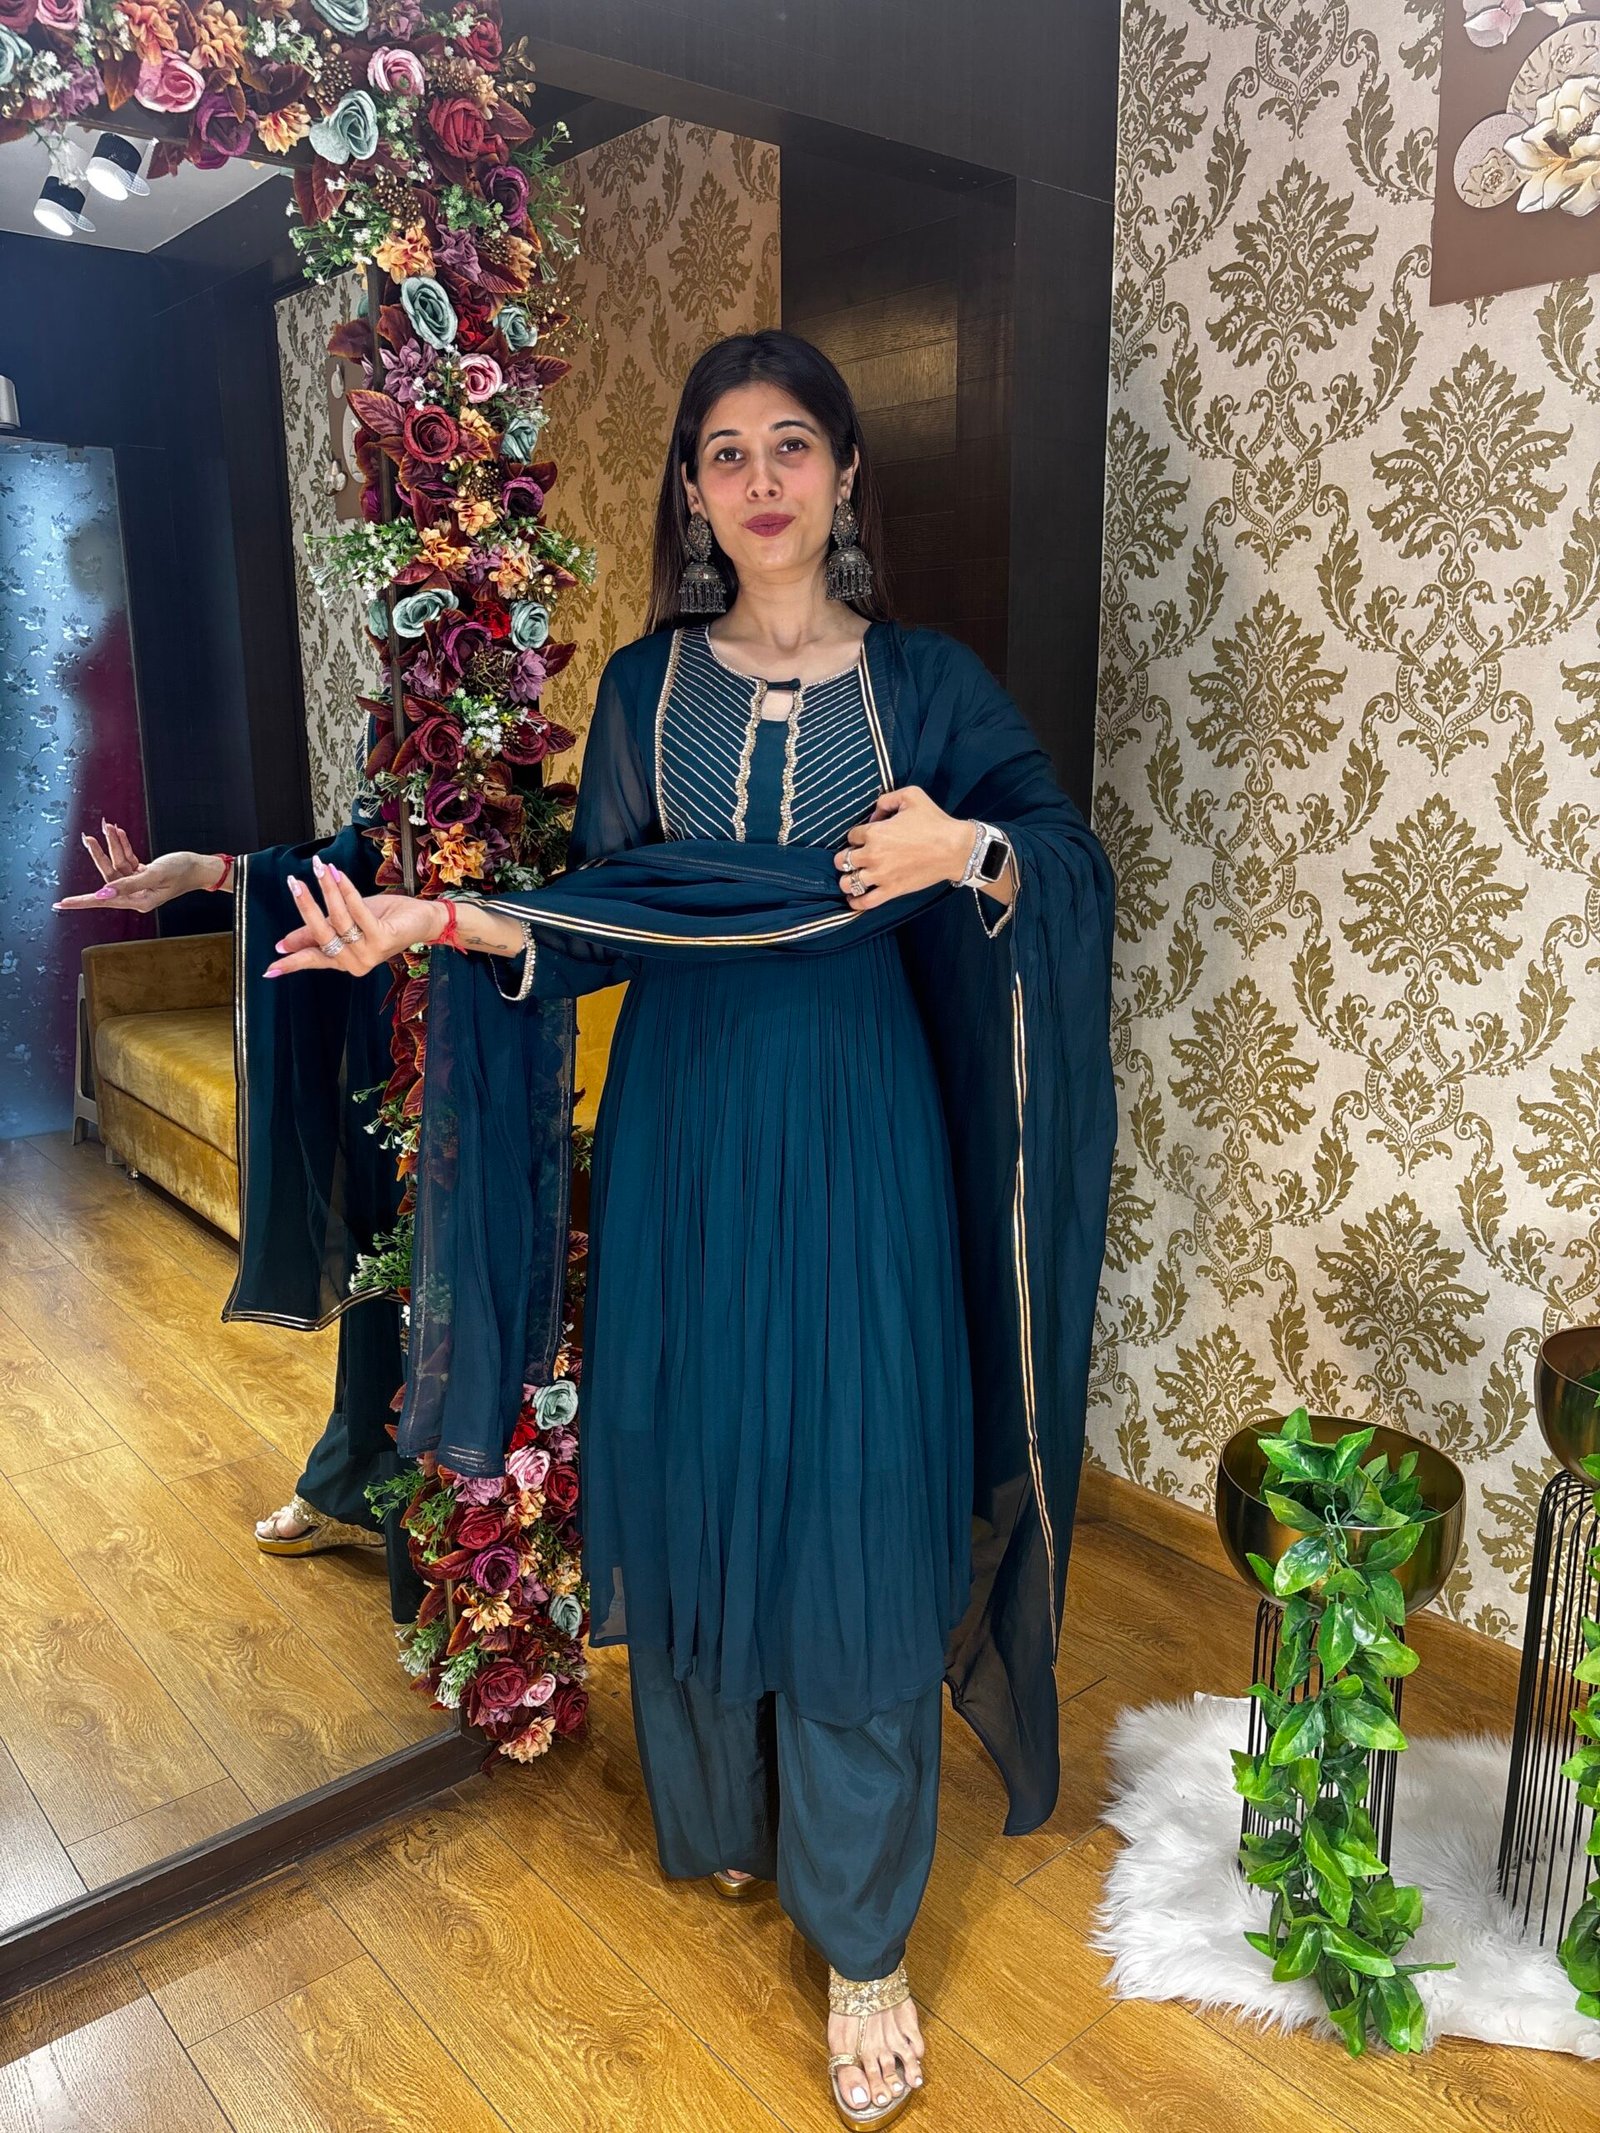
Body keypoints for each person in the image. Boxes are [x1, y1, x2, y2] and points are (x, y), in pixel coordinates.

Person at [257, 329, 1118, 2128]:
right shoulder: (649, 691)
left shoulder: (930, 686)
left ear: (847, 470)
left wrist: (968, 851)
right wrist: (439, 924)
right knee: (713, 1456)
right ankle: (727, 1809)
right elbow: (607, 913)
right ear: (694, 492)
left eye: (792, 443)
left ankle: (864, 1933)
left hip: (865, 1136)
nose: (761, 479)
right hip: (684, 1140)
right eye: (725, 452)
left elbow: (1068, 868)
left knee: (860, 1482)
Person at [54, 790, 423, 1622]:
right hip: (402, 1033)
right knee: (387, 1257)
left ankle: (503, 1523)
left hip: (500, 1025)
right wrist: (207, 873)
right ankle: (362, 1480)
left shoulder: (534, 745)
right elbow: (362, 858)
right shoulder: (416, 725)